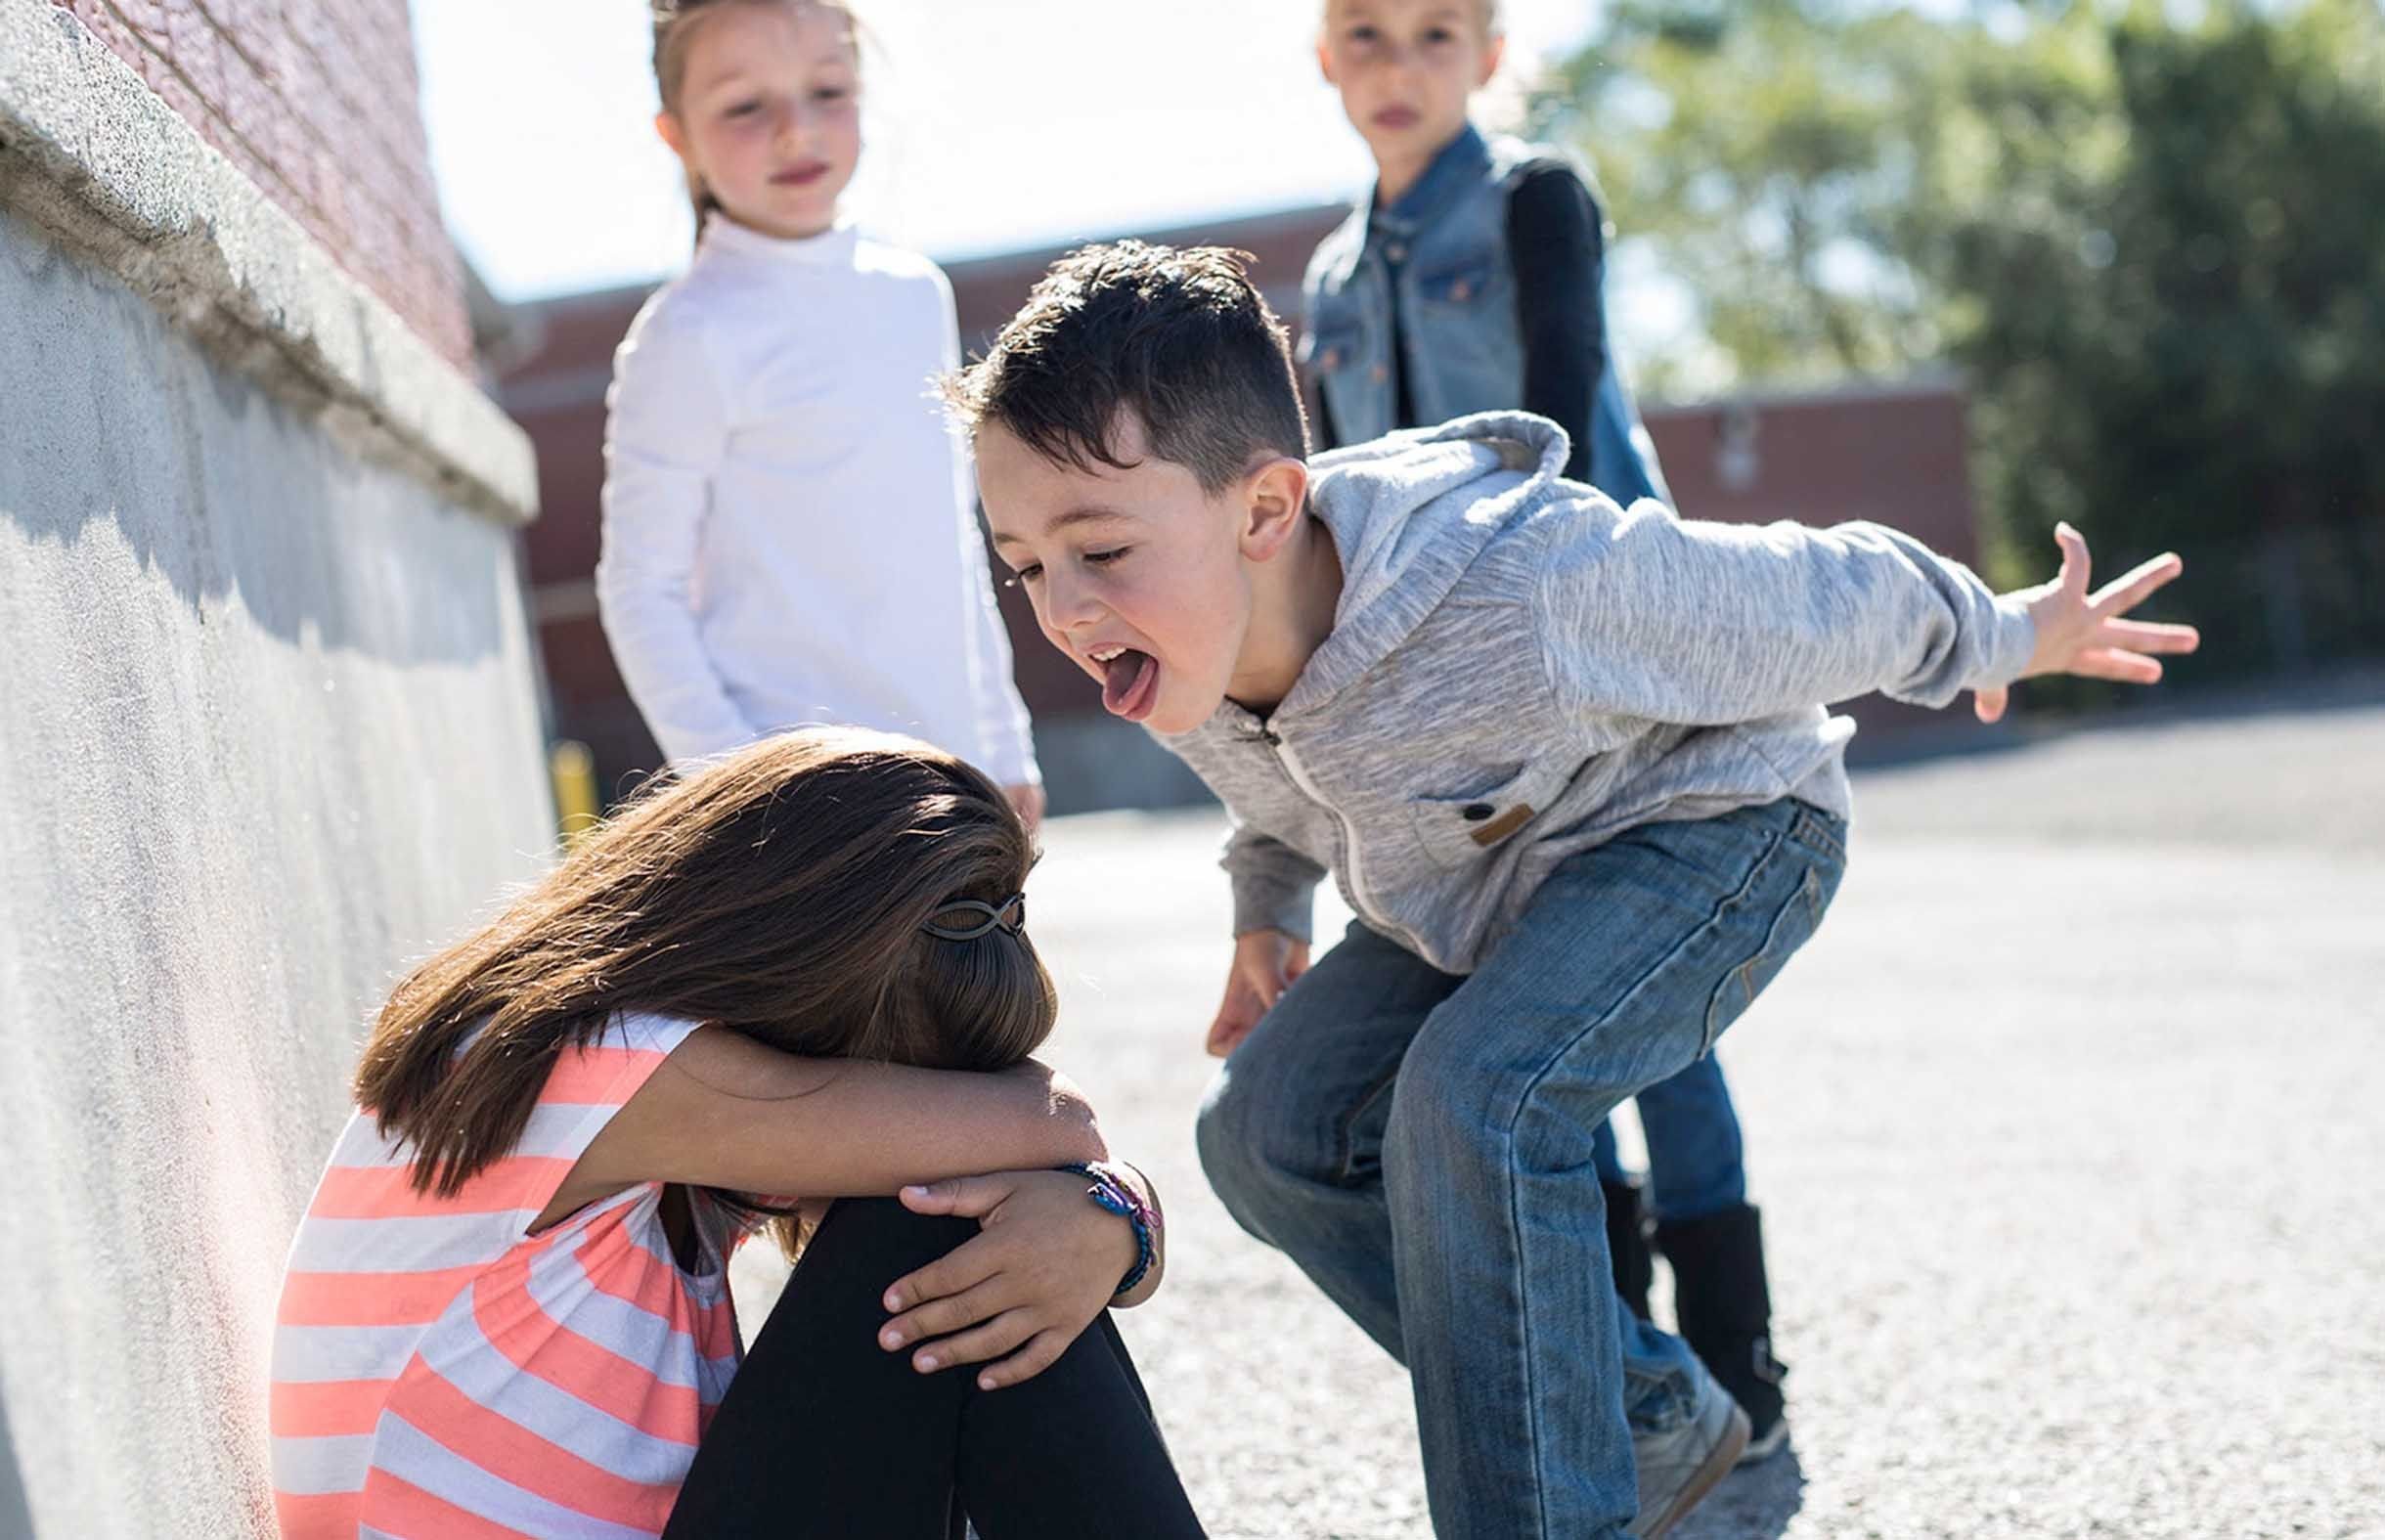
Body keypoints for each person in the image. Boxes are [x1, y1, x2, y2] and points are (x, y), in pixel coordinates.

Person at [946, 241, 2198, 1539]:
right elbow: (1273, 785)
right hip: (1480, 884)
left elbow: (1825, 590)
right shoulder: (1172, 637)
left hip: (1714, 831)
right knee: (1262, 1130)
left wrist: (2003, 634)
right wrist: (1266, 908)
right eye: (1024, 564)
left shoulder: (1526, 584)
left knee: (1472, 1097)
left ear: (1264, 510)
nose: (1065, 609)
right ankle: (1640, 1408)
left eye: (1095, 548)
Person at [267, 727, 1208, 1539]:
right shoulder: (596, 1060)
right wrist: (1100, 1197)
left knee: (990, 1246)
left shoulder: (647, 1105)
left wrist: (1109, 1217)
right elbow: (1063, 1125)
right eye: (884, 1080)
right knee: (938, 1221)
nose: (884, 1115)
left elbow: (1058, 1154)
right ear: (795, 980)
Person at [1302, 0, 1784, 1457]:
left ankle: (1732, 1353)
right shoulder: (1324, 276)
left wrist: (1577, 629)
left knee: (1652, 1006)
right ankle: (1616, 1338)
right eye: (1365, 34)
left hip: (1599, 643)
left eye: (1434, 33)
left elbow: (1566, 397)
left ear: (1490, 52)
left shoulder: (1532, 196)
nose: (1399, 67)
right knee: (1520, 992)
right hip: (1443, 696)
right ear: (1321, 56)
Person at [598, 0, 1042, 828]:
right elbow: (640, 589)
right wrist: (738, 787)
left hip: (954, 781)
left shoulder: (915, 295)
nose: (795, 131)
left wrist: (1005, 746)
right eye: (743, 106)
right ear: (678, 136)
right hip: (797, 812)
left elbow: (950, 544)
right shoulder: (686, 333)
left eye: (826, 92)